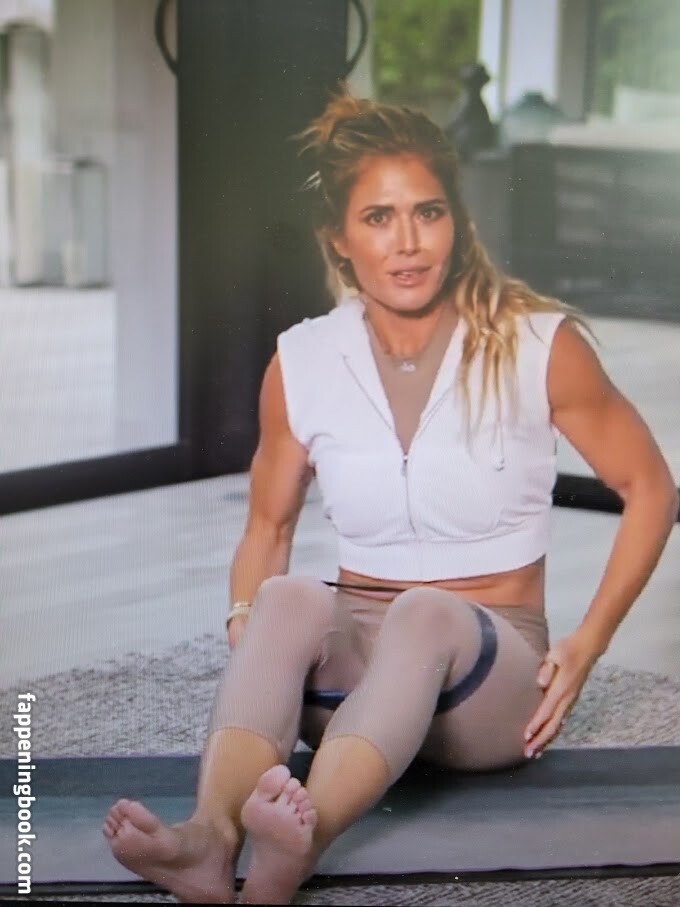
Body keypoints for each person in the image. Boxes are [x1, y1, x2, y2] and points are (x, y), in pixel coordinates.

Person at [102, 90, 679, 905]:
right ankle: (209, 838)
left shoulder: (537, 346)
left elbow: (651, 487)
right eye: (378, 218)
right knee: (286, 596)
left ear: (457, 222)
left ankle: (301, 841)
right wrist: (247, 623)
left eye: (427, 213)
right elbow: (267, 525)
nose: (408, 242)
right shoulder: (303, 361)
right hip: (351, 685)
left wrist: (587, 643)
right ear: (338, 237)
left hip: (488, 683)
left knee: (424, 611)